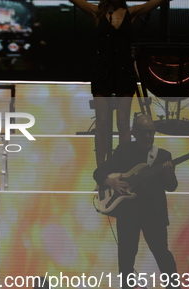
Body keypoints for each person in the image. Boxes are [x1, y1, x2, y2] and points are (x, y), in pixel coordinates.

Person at [93, 114, 185, 289]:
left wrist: (169, 174)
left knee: (163, 257)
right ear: (134, 133)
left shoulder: (163, 156)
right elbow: (99, 172)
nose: (148, 136)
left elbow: (172, 186)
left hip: (155, 215)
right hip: (128, 215)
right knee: (126, 261)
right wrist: (110, 181)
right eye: (144, 132)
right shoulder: (124, 151)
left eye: (151, 132)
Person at [69, 0, 170, 165]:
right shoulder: (97, 13)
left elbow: (153, 3)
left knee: (123, 121)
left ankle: (123, 167)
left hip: (124, 70)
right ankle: (101, 170)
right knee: (102, 122)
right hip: (103, 70)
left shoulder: (132, 12)